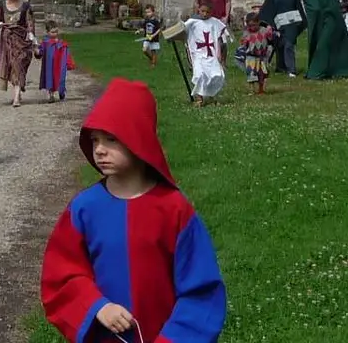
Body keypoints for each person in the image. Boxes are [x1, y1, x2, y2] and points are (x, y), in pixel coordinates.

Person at [39, 78, 227, 343]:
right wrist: (96, 306)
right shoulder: (85, 209)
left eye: (111, 139)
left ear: (138, 139)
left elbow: (201, 291)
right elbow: (61, 275)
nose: (99, 150)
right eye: (95, 140)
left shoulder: (173, 210)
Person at [0, 0, 37, 107]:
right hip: (6, 41)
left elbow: (30, 22)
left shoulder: (25, 5)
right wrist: (0, 25)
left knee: (18, 65)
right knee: (9, 67)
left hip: (21, 40)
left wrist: (32, 36)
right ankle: (17, 93)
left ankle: (16, 97)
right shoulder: (1, 4)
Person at [302, 0, 348, 80]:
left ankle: (316, 72)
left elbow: (333, 9)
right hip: (317, 24)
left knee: (323, 46)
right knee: (317, 45)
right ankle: (324, 70)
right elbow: (311, 7)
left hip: (330, 22)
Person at [258, 0, 304, 77]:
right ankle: (281, 67)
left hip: (291, 23)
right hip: (279, 23)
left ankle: (291, 69)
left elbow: (298, 6)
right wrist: (269, 23)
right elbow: (268, 7)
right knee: (280, 44)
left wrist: (299, 20)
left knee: (289, 45)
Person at [183, 0, 229, 106]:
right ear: (198, 9)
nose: (205, 14)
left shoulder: (214, 22)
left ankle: (212, 96)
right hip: (198, 54)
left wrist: (221, 55)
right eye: (202, 11)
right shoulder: (192, 22)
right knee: (200, 75)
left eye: (207, 12)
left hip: (211, 54)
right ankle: (199, 98)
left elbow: (222, 35)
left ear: (211, 12)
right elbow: (181, 30)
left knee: (215, 75)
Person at [39, 20, 76, 102]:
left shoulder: (61, 43)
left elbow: (66, 53)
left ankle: (61, 92)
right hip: (49, 65)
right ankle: (51, 95)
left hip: (59, 64)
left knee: (61, 78)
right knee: (50, 78)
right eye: (52, 32)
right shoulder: (45, 42)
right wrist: (36, 51)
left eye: (56, 32)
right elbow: (40, 52)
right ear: (47, 32)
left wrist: (69, 63)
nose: (55, 34)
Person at [238, 13, 274, 96]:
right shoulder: (246, 33)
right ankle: (251, 90)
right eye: (249, 26)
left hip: (262, 56)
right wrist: (243, 43)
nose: (252, 28)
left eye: (254, 25)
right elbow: (243, 44)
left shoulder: (264, 30)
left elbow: (270, 38)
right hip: (251, 56)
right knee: (251, 73)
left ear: (258, 22)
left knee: (262, 73)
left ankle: (261, 90)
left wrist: (270, 32)